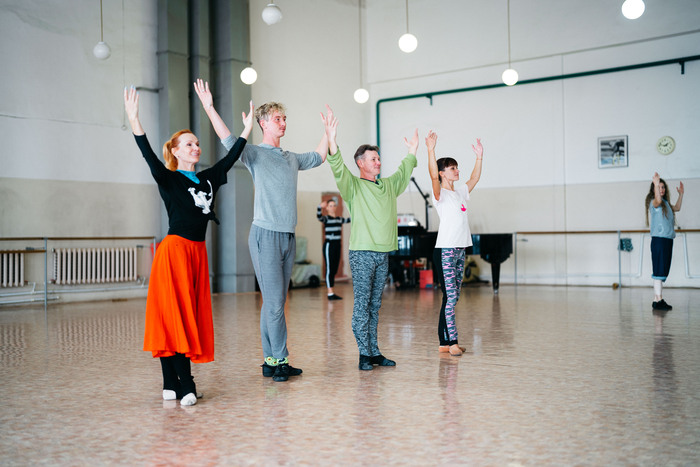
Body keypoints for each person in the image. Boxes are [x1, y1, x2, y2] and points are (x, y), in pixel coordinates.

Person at [194, 79, 331, 382]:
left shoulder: (291, 158)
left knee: (275, 302)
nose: (284, 123)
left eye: (285, 118)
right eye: (278, 118)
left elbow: (318, 157)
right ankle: (280, 360)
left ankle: (270, 360)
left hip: (287, 235)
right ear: (263, 123)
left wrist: (328, 133)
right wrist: (210, 108)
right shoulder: (254, 153)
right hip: (265, 235)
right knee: (275, 303)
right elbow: (228, 140)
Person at [124, 84, 253, 405]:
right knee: (174, 316)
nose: (196, 147)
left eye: (197, 143)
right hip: (174, 253)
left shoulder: (208, 178)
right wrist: (134, 119)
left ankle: (169, 383)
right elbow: (147, 153)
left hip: (196, 253)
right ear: (176, 151)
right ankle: (186, 384)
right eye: (189, 144)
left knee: (185, 314)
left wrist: (247, 129)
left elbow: (232, 157)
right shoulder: (168, 178)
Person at [324, 108, 419, 371]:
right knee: (362, 305)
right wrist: (332, 139)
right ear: (361, 163)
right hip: (362, 254)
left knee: (375, 305)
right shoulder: (353, 187)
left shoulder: (388, 186)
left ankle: (374, 351)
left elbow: (403, 172)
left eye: (378, 158)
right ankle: (364, 354)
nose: (378, 162)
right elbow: (338, 168)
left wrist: (412, 150)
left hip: (383, 253)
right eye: (373, 159)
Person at [426, 131, 483, 357]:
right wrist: (431, 150)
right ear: (442, 173)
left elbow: (474, 178)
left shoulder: (460, 193)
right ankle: (453, 343)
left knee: (453, 298)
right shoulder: (439, 194)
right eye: (452, 168)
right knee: (450, 298)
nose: (457, 171)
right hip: (445, 251)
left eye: (457, 167)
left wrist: (479, 157)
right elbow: (432, 176)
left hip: (460, 250)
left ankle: (443, 343)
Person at [645, 172, 684, 311]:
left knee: (662, 271)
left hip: (667, 240)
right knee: (658, 271)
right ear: (654, 189)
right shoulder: (655, 203)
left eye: (663, 187)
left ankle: (656, 300)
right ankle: (659, 299)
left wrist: (681, 194)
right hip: (659, 240)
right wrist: (656, 184)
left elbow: (677, 208)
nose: (661, 189)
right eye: (659, 187)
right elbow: (658, 199)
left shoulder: (666, 204)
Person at [317, 198, 351, 300]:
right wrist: (319, 207)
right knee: (330, 269)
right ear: (327, 208)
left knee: (335, 268)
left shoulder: (339, 219)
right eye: (330, 206)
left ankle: (332, 292)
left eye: (334, 205)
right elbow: (319, 217)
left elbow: (349, 220)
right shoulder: (326, 218)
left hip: (337, 245)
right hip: (329, 245)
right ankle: (330, 293)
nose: (333, 207)